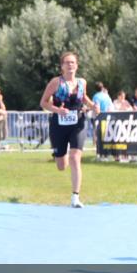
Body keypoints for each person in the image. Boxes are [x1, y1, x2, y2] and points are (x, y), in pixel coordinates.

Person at [39, 52, 99, 208]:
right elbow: (43, 102)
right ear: (62, 67)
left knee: (75, 157)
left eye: (73, 62)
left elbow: (83, 97)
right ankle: (62, 152)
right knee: (61, 165)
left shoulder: (82, 82)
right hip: (58, 125)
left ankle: (75, 197)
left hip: (78, 123)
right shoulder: (55, 82)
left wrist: (93, 106)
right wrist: (57, 110)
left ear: (77, 66)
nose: (70, 65)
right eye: (67, 62)